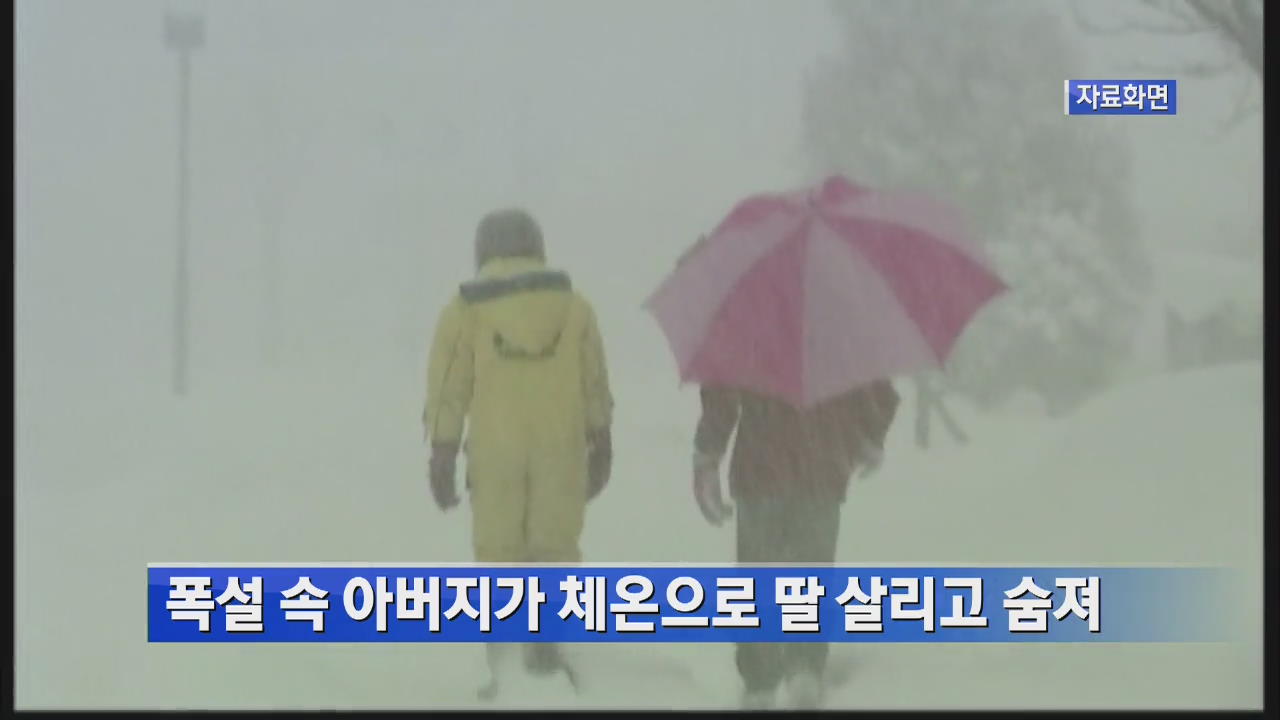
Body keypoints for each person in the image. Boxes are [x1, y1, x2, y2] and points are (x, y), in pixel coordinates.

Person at [423, 208, 614, 696]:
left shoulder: (465, 310)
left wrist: (443, 451)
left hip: (496, 451)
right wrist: (602, 438)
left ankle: (501, 654)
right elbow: (593, 380)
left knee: (499, 548)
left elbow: (448, 388)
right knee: (553, 545)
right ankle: (548, 644)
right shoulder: (575, 308)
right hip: (562, 449)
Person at [691, 380, 899, 709]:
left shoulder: (749, 331)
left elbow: (722, 391)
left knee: (757, 576)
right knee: (812, 570)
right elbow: (877, 389)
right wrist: (867, 437)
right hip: (821, 465)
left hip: (760, 466)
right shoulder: (843, 332)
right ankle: (804, 666)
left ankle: (760, 678)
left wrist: (707, 455)